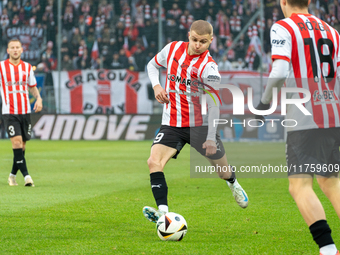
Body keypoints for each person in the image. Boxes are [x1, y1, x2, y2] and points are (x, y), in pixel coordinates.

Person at [143, 20, 249, 224]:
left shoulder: (209, 69)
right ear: (188, 35)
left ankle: (233, 183)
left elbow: (214, 105)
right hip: (172, 122)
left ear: (211, 41)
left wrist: (210, 137)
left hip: (200, 126)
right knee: (153, 162)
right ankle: (164, 214)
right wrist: (157, 86)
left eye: (203, 41)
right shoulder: (172, 48)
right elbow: (152, 65)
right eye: (194, 39)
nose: (197, 44)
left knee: (223, 171)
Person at [255, 0, 340, 254]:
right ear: (310, 1)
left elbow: (279, 71)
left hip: (305, 117)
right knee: (330, 182)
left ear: (283, 2)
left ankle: (327, 249)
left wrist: (263, 103)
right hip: (333, 115)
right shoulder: (332, 31)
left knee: (299, 186)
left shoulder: (283, 27)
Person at [0, 39, 43, 187]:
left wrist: (39, 98)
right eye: (12, 47)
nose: (15, 50)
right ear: (8, 50)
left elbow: (32, 86)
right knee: (17, 142)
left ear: (22, 50)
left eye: (17, 47)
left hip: (25, 111)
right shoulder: (1, 67)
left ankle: (12, 176)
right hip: (9, 112)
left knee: (22, 147)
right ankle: (27, 177)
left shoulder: (27, 67)